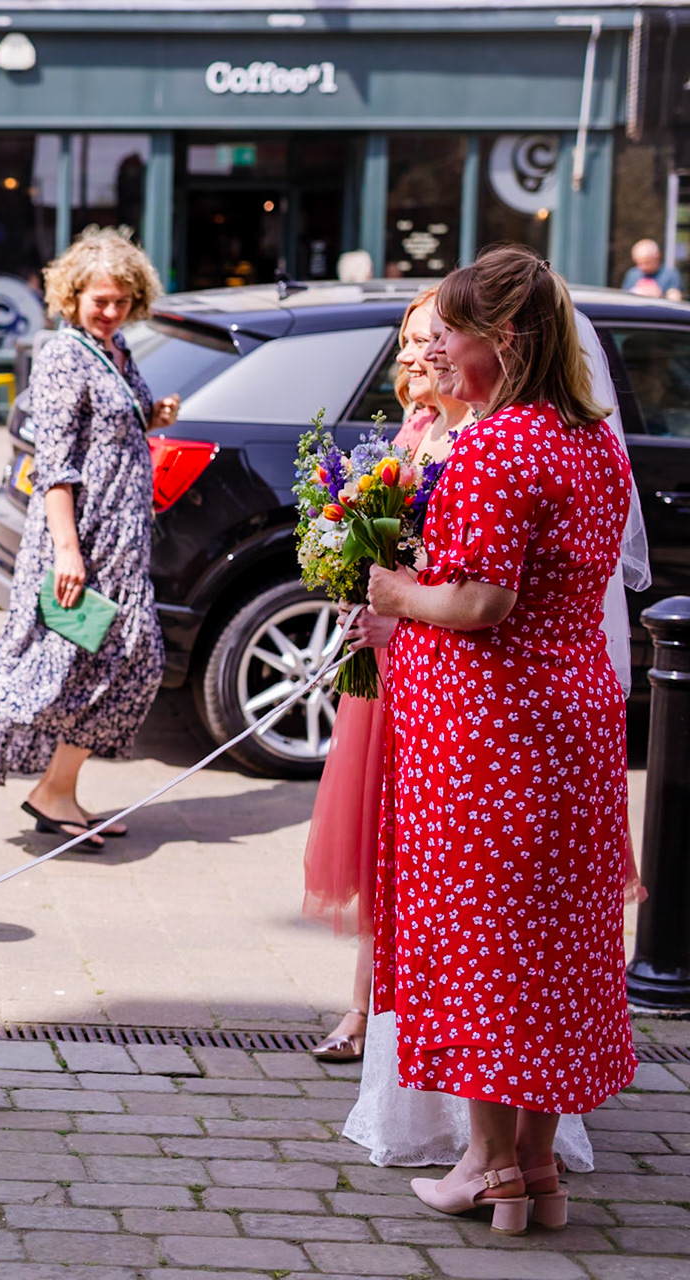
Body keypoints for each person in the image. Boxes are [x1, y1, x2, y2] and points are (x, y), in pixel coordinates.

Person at [366, 245, 637, 1231]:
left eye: (455, 333)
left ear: (507, 337)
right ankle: (536, 1168)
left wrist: (398, 591)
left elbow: (482, 599)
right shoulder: (595, 441)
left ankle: (486, 1165)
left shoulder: (494, 443)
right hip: (576, 720)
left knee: (479, 935)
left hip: (485, 730)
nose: (439, 349)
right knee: (555, 937)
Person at [0, 230, 180, 844]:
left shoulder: (118, 346)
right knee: (98, 661)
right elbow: (54, 462)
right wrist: (68, 551)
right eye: (101, 300)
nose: (112, 311)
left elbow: (110, 420)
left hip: (125, 539)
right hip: (83, 538)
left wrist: (153, 416)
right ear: (72, 294)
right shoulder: (62, 355)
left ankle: (61, 790)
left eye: (124, 300)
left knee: (121, 662)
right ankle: (52, 789)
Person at [306, 288, 469, 1066]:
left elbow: (464, 583)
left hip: (429, 670)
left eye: (425, 336)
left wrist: (397, 617)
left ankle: (389, 1016)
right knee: (378, 845)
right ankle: (365, 1005)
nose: (410, 352)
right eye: (407, 338)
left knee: (408, 853)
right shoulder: (414, 430)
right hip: (389, 665)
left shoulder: (470, 439)